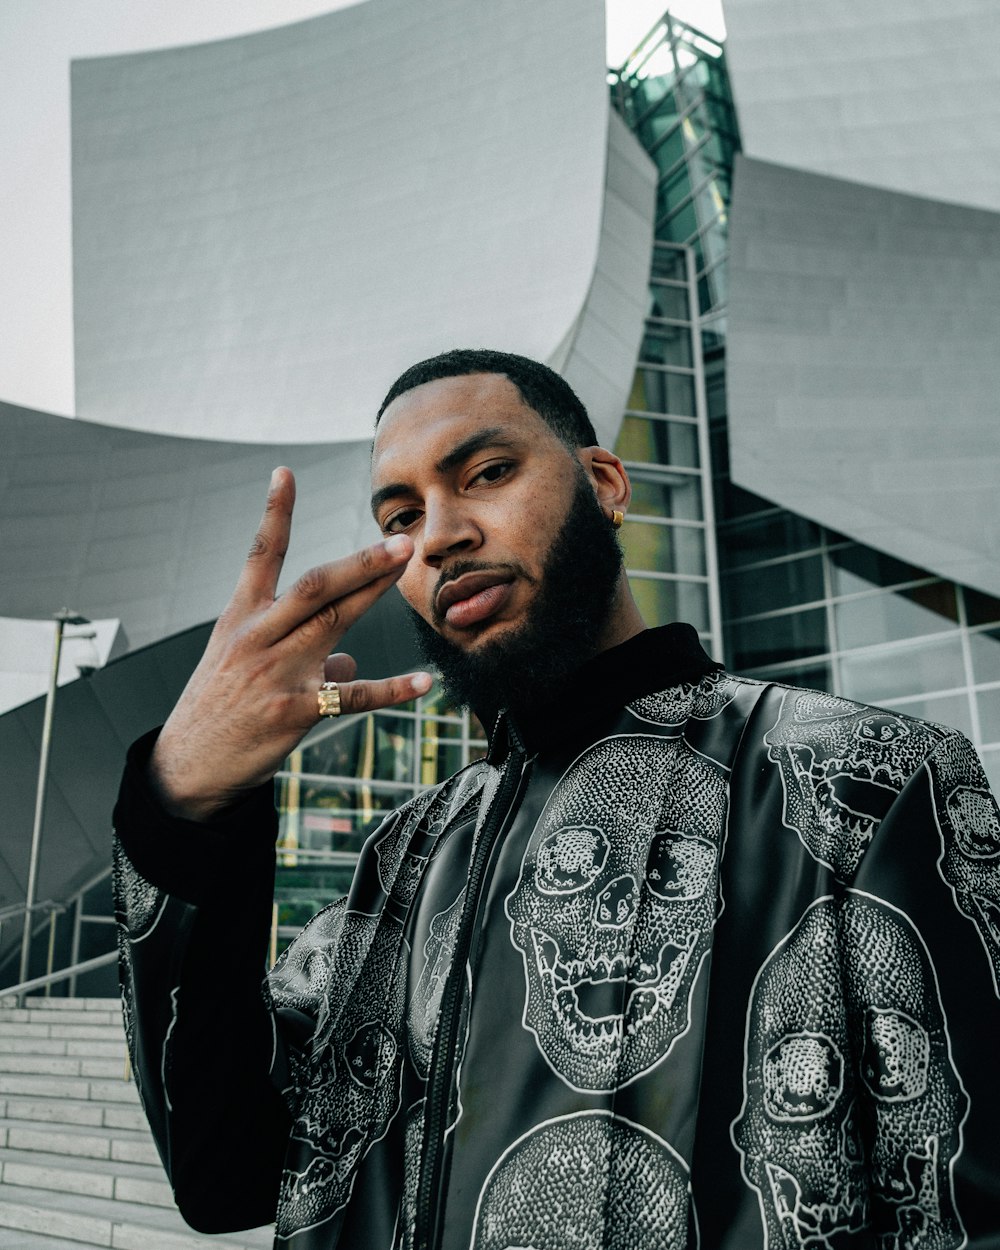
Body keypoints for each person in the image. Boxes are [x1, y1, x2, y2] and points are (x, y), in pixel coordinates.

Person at [113, 349, 1000, 1250]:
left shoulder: (870, 776)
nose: (441, 535)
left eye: (488, 474)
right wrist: (185, 798)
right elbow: (220, 1176)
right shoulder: (403, 862)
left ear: (605, 484)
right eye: (403, 515)